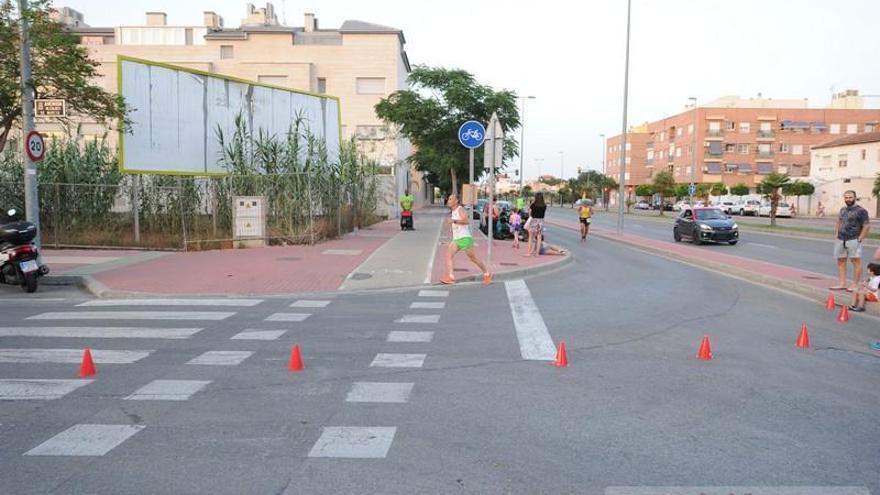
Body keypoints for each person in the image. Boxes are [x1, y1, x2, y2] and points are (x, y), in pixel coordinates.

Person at [440, 194, 492, 285]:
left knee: (473, 259)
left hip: (465, 238)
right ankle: (451, 277)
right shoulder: (453, 211)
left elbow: (466, 221)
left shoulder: (460, 209)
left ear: (456, 201)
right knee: (448, 255)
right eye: (448, 199)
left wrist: (454, 221)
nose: (448, 200)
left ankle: (487, 274)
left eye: (450, 199)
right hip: (457, 239)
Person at [831, 190, 870, 291]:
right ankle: (842, 283)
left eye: (850, 197)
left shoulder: (861, 211)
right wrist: (836, 235)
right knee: (841, 261)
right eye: (846, 197)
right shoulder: (843, 209)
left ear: (855, 198)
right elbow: (839, 221)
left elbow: (866, 225)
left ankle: (855, 285)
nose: (848, 199)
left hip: (853, 239)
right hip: (841, 239)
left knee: (855, 261)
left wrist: (860, 238)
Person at [527, 192, 547, 256]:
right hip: (541, 221)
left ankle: (529, 253)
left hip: (534, 220)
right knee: (539, 238)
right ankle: (537, 253)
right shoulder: (544, 205)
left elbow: (529, 213)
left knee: (531, 237)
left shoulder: (533, 205)